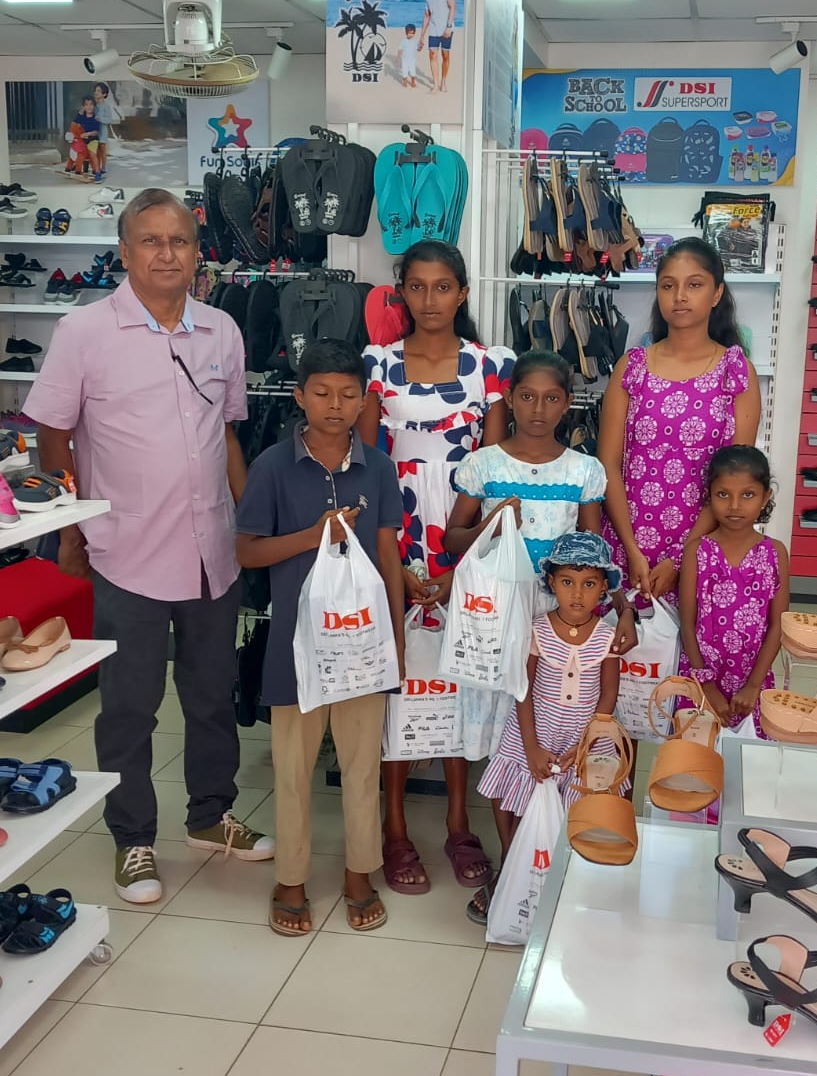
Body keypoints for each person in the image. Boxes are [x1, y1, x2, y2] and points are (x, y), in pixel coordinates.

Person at [28, 188, 272, 906]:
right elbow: (52, 436)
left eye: (180, 241)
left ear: (198, 252)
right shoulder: (83, 332)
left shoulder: (222, 330)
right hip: (125, 549)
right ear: (125, 251)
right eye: (151, 241)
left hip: (211, 551)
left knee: (212, 695)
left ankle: (211, 816)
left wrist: (247, 526)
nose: (167, 254)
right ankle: (133, 837)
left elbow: (226, 434)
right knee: (129, 706)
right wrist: (69, 528)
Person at [445, 349, 638, 921]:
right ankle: (513, 869)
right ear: (510, 399)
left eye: (552, 398)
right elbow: (454, 541)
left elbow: (594, 554)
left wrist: (622, 607)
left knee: (558, 734)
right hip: (495, 615)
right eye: (526, 396)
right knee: (508, 739)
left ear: (568, 403)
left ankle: (553, 864)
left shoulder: (583, 471)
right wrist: (493, 521)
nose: (537, 409)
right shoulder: (483, 464)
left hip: (561, 618)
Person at [236, 340, 406, 935]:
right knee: (292, 767)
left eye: (348, 394)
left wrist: (395, 638)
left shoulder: (378, 468)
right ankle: (291, 878)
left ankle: (360, 872)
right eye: (323, 393)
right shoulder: (272, 467)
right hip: (295, 646)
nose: (336, 405)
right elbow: (247, 550)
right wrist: (312, 536)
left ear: (364, 400)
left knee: (362, 766)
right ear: (299, 396)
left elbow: (388, 555)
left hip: (363, 644)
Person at [360, 240, 513, 896]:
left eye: (442, 287)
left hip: (464, 541)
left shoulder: (490, 366)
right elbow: (367, 467)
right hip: (394, 538)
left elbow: (496, 475)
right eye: (416, 287)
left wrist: (463, 563)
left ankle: (458, 822)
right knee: (399, 678)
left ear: (462, 292)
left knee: (459, 677)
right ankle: (394, 828)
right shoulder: (378, 366)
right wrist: (394, 561)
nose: (429, 300)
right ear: (402, 292)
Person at [598, 238, 761, 603]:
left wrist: (680, 558)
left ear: (717, 294)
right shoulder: (632, 367)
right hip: (628, 544)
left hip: (703, 546)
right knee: (624, 636)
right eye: (668, 285)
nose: (680, 296)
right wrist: (630, 549)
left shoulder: (735, 373)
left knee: (692, 637)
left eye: (695, 284)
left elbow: (735, 480)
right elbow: (608, 464)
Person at [477, 530, 623, 897]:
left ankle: (564, 875)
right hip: (534, 730)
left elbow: (608, 695)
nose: (578, 594)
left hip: (584, 736)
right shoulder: (538, 630)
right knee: (513, 795)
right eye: (567, 582)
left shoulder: (607, 637)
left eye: (589, 584)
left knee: (578, 804)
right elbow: (523, 689)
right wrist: (530, 747)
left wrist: (585, 745)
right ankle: (511, 862)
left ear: (604, 588)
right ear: (552, 583)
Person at [679, 445, 788, 736]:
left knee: (750, 758)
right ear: (709, 496)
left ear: (766, 497)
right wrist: (706, 685)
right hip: (701, 678)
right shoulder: (696, 552)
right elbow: (687, 624)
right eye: (723, 494)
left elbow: (778, 625)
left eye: (748, 495)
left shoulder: (775, 553)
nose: (735, 505)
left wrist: (753, 685)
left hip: (753, 680)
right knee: (696, 756)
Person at [417, 0, 456, 94]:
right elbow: (427, 15)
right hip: (433, 29)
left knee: (445, 55)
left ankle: (443, 82)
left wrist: (449, 27)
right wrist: (422, 36)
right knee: (432, 54)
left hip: (446, 28)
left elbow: (452, 7)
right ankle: (435, 84)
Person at [92, 82, 123, 176]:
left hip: (103, 131)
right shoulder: (94, 106)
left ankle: (103, 168)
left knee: (103, 150)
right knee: (96, 150)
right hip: (94, 131)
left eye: (98, 91)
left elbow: (109, 119)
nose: (96, 93)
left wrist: (100, 119)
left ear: (104, 94)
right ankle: (96, 167)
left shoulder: (106, 106)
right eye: (95, 91)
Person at [71, 96, 101, 179]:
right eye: (86, 105)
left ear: (94, 106)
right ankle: (76, 166)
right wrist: (80, 112)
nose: (89, 107)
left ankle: (98, 172)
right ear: (83, 107)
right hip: (82, 141)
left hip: (93, 140)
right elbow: (74, 122)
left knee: (92, 154)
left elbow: (96, 132)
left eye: (91, 104)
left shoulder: (96, 118)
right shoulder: (82, 117)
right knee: (77, 151)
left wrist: (88, 133)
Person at [398, 23, 420, 89]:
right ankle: (405, 82)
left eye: (412, 33)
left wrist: (420, 47)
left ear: (414, 33)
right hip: (404, 60)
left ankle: (413, 82)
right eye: (409, 33)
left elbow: (418, 49)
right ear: (406, 33)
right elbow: (400, 49)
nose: (410, 35)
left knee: (413, 72)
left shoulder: (415, 42)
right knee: (404, 72)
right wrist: (398, 57)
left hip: (412, 60)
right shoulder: (403, 41)